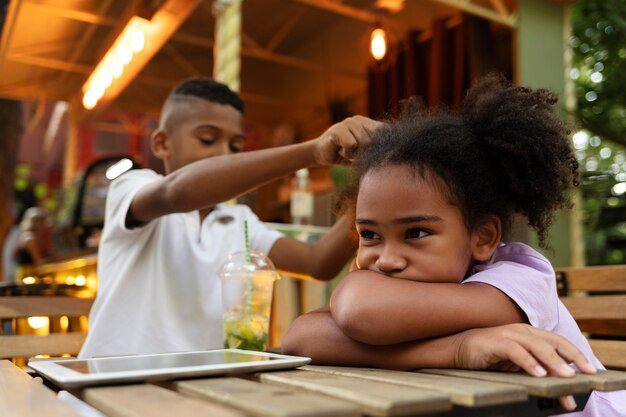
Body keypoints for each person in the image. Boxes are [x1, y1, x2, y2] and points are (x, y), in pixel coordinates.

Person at [80, 77, 597, 386]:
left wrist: (377, 201)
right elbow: (179, 193)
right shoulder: (138, 189)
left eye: (234, 145)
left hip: (196, 381)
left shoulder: (235, 223)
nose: (224, 155)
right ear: (162, 143)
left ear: (484, 235)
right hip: (114, 377)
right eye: (207, 140)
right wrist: (315, 153)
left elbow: (320, 265)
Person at [282, 74, 625, 416]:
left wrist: (449, 347)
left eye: (415, 233)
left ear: (483, 237)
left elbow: (358, 310)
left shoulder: (517, 283)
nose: (386, 260)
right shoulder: (406, 292)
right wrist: (457, 348)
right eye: (370, 235)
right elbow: (301, 337)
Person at [12, 207, 50, 279]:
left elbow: (13, 256)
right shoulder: (30, 238)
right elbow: (39, 261)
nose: (44, 226)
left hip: (21, 273)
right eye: (42, 222)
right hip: (29, 276)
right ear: (36, 223)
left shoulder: (24, 235)